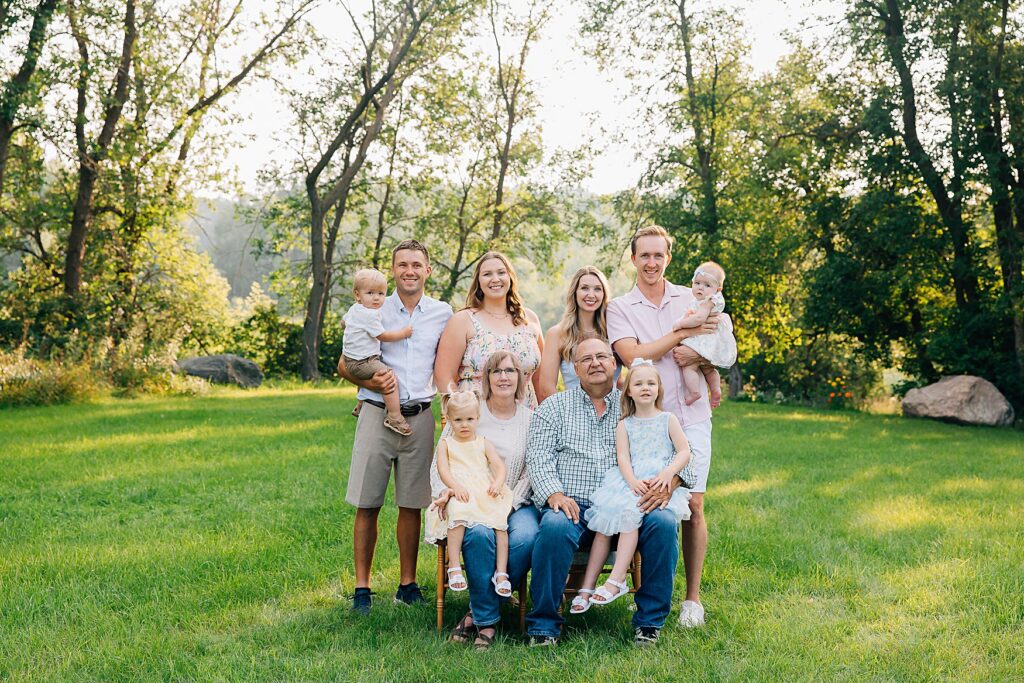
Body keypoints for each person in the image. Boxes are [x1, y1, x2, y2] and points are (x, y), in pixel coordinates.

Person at [606, 225, 735, 629]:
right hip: (647, 420)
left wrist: (698, 361)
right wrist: (682, 332)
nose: (651, 262)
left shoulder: (693, 294)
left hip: (691, 418)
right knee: (647, 501)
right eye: (644, 255)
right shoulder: (620, 307)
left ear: (668, 258)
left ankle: (692, 598)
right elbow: (634, 355)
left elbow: (715, 342)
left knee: (693, 505)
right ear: (633, 259)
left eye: (658, 255)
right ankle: (646, 591)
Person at [525, 335, 685, 647]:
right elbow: (538, 457)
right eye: (587, 359)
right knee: (555, 526)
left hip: (631, 505)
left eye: (602, 357)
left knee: (664, 523)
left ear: (614, 365)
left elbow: (681, 453)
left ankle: (649, 624)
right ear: (574, 368)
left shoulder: (635, 406)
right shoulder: (554, 407)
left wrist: (672, 483)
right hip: (575, 506)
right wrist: (554, 494)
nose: (596, 363)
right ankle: (544, 626)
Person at [338, 240, 452, 615]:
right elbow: (344, 364)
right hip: (375, 414)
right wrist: (376, 386)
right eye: (402, 264)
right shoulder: (372, 307)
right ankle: (362, 588)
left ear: (428, 270)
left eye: (417, 264)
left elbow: (451, 361)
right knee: (368, 502)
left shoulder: (442, 313)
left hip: (420, 417)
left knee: (412, 504)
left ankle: (407, 584)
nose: (409, 271)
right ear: (393, 269)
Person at [427, 351, 538, 650]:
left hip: (514, 501)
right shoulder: (468, 411)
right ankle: (488, 622)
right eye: (496, 371)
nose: (504, 377)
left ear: (521, 378)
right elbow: (442, 462)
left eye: (511, 371)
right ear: (486, 378)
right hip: (469, 499)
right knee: (477, 533)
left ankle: (476, 613)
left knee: (526, 537)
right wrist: (448, 492)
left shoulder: (531, 419)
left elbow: (532, 469)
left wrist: (509, 503)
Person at [571, 359, 694, 614]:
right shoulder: (625, 424)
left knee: (629, 515)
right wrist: (631, 482)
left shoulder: (668, 419)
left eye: (651, 383)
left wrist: (669, 472)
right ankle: (587, 588)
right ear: (628, 390)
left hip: (658, 479)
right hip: (631, 481)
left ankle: (616, 580)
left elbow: (684, 451)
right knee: (604, 523)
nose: (645, 387)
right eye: (638, 383)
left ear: (659, 388)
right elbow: (623, 458)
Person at [434, 389, 515, 605]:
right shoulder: (446, 444)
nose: (464, 425)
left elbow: (499, 466)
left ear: (478, 418)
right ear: (449, 420)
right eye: (458, 420)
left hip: (484, 490)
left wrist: (497, 483)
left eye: (469, 419)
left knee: (500, 522)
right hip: (461, 490)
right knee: (458, 513)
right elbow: (443, 470)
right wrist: (455, 486)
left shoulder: (483, 442)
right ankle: (454, 567)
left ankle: (501, 572)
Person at [434, 251, 544, 408]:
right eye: (487, 274)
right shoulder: (463, 320)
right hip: (475, 419)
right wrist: (459, 412)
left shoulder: (529, 319)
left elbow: (540, 381)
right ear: (478, 281)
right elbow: (443, 377)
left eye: (501, 272)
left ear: (510, 277)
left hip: (526, 419)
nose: (495, 279)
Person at [341, 268, 415, 435]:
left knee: (370, 371)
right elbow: (383, 336)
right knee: (387, 376)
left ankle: (360, 404)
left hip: (351, 358)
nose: (376, 298)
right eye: (370, 293)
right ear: (357, 295)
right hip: (362, 361)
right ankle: (395, 416)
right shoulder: (370, 315)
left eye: (381, 294)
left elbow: (343, 322)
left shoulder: (354, 309)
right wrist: (403, 333)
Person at [537, 266, 612, 403]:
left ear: (604, 294)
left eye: (597, 289)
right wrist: (570, 417)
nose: (591, 294)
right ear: (574, 293)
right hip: (572, 417)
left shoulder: (614, 331)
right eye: (584, 288)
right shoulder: (557, 334)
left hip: (615, 415)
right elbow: (546, 389)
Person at [671, 261, 736, 407]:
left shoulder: (709, 301)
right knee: (709, 369)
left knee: (689, 367)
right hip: (709, 339)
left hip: (705, 339)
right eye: (697, 283)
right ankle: (715, 390)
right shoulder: (701, 300)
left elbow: (699, 318)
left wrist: (680, 324)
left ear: (718, 289)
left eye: (707, 285)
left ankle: (694, 392)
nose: (701, 287)